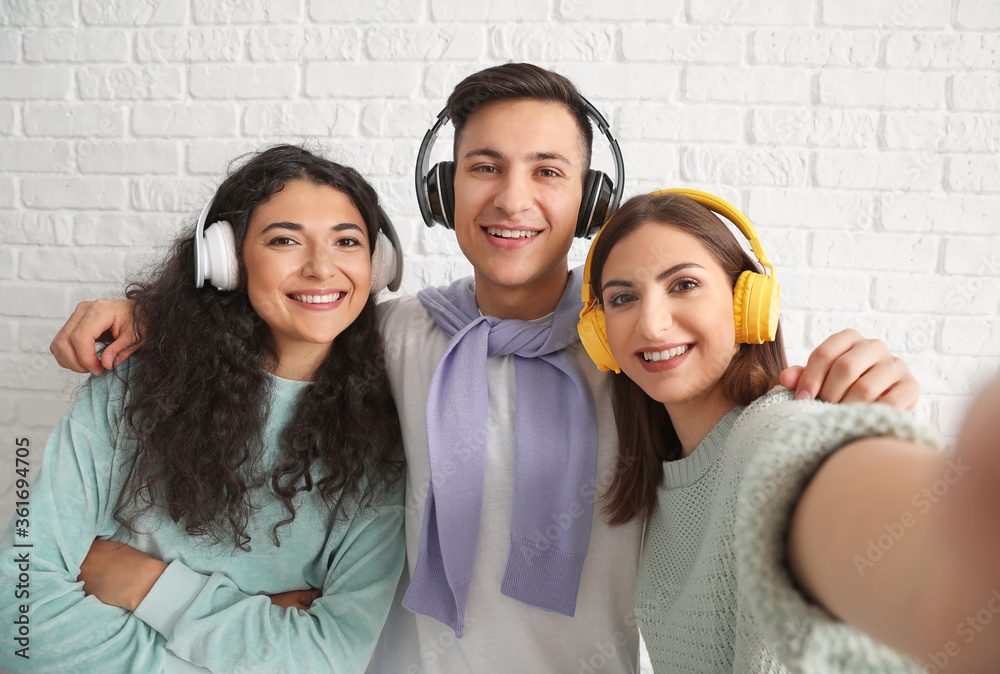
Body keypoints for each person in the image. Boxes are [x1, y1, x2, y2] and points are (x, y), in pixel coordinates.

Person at [47, 64, 921, 673]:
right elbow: (279, 316)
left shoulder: (635, 342)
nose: (512, 199)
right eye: (484, 169)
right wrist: (145, 314)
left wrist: (864, 395)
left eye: (549, 171)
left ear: (589, 199)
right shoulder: (389, 336)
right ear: (444, 192)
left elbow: (762, 436)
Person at [0, 145, 406, 674]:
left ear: (377, 265)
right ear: (227, 260)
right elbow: (18, 613)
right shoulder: (133, 386)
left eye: (346, 241)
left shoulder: (382, 439)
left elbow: (329, 658)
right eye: (284, 239)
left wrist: (145, 585)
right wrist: (252, 630)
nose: (321, 267)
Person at [579, 189, 1000, 673]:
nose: (652, 326)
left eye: (683, 285)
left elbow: (816, 480)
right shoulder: (658, 484)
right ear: (600, 336)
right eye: (623, 298)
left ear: (747, 303)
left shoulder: (775, 431)